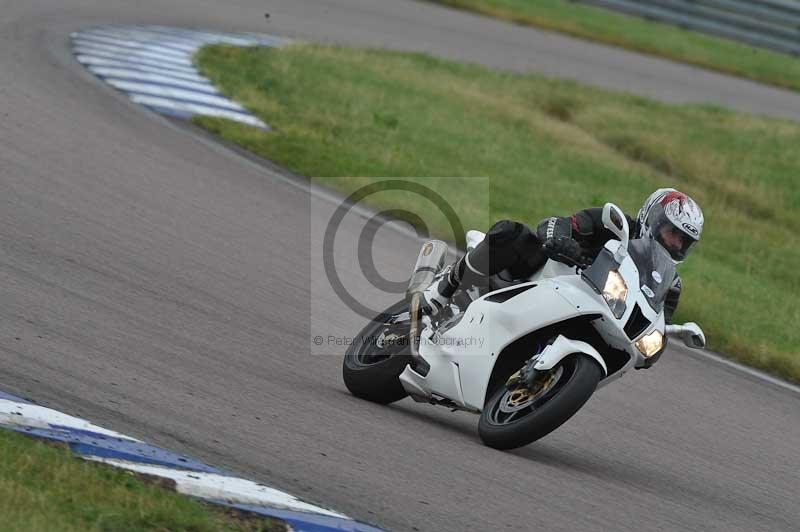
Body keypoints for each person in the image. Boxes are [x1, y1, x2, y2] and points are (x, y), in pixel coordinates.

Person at [422, 188, 704, 324]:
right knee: (512, 233)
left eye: (684, 241)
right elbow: (556, 223)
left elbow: (658, 322)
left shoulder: (669, 284)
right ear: (654, 219)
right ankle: (443, 289)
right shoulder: (614, 225)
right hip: (544, 278)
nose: (676, 243)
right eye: (673, 232)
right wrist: (562, 242)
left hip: (587, 314)